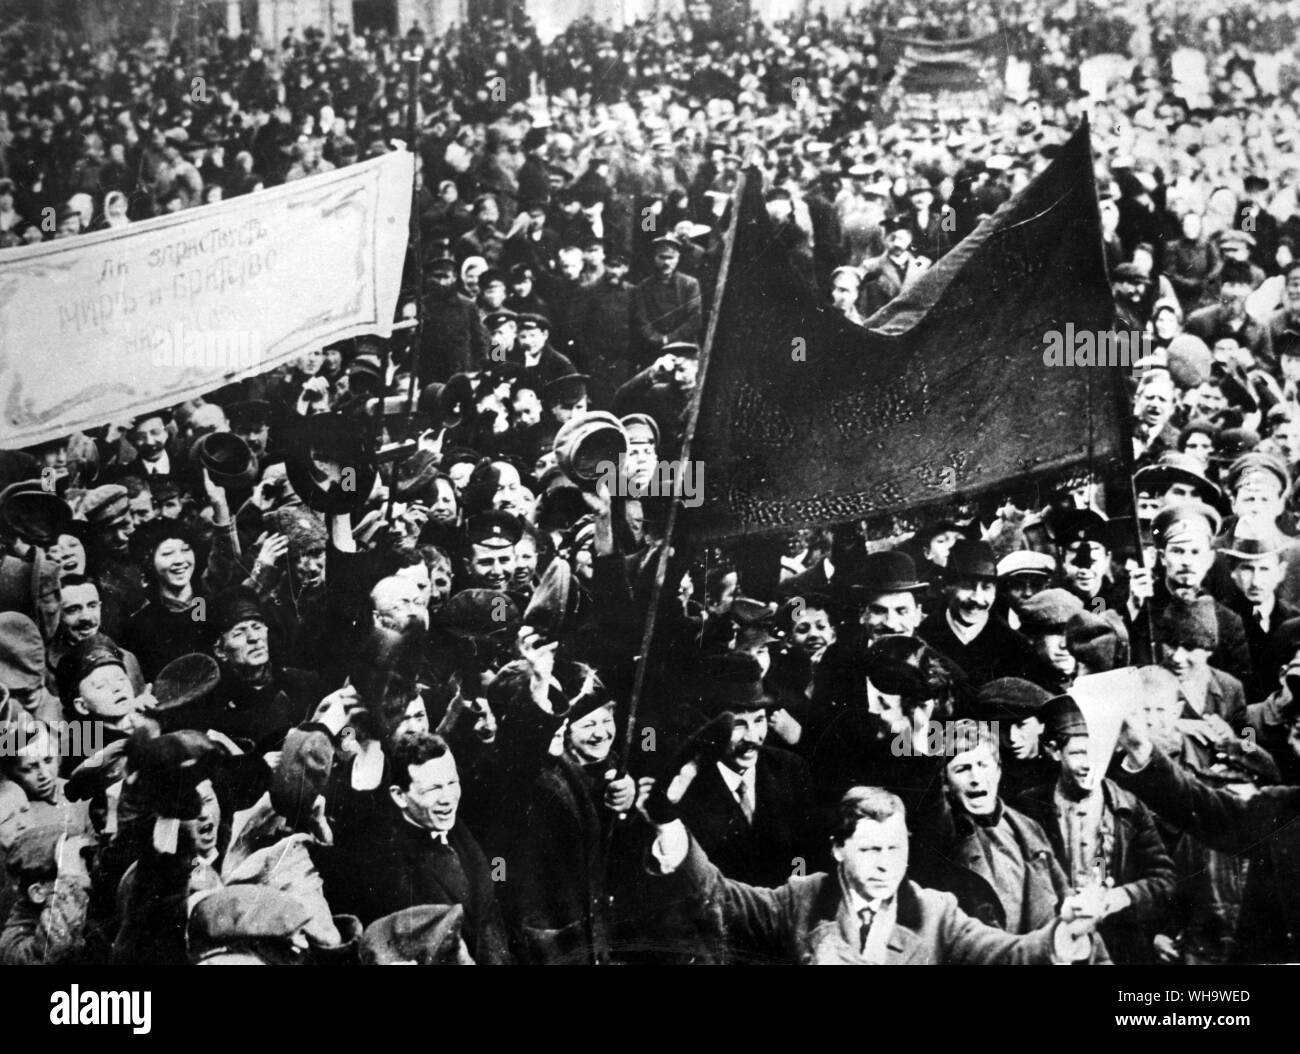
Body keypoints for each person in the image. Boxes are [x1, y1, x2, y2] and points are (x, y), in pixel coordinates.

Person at [642, 781, 1100, 965]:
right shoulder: (800, 899)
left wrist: (1063, 934)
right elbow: (719, 896)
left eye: (895, 848)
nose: (886, 863)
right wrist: (667, 821)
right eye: (870, 849)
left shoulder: (935, 912)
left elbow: (1007, 955)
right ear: (839, 849)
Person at [1013, 694, 1176, 964]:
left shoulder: (1129, 808)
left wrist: (1118, 897)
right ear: (1054, 751)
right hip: (1051, 944)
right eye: (1078, 753)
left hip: (1116, 946)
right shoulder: (1027, 808)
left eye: (1097, 752)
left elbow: (1164, 879)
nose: (1090, 764)